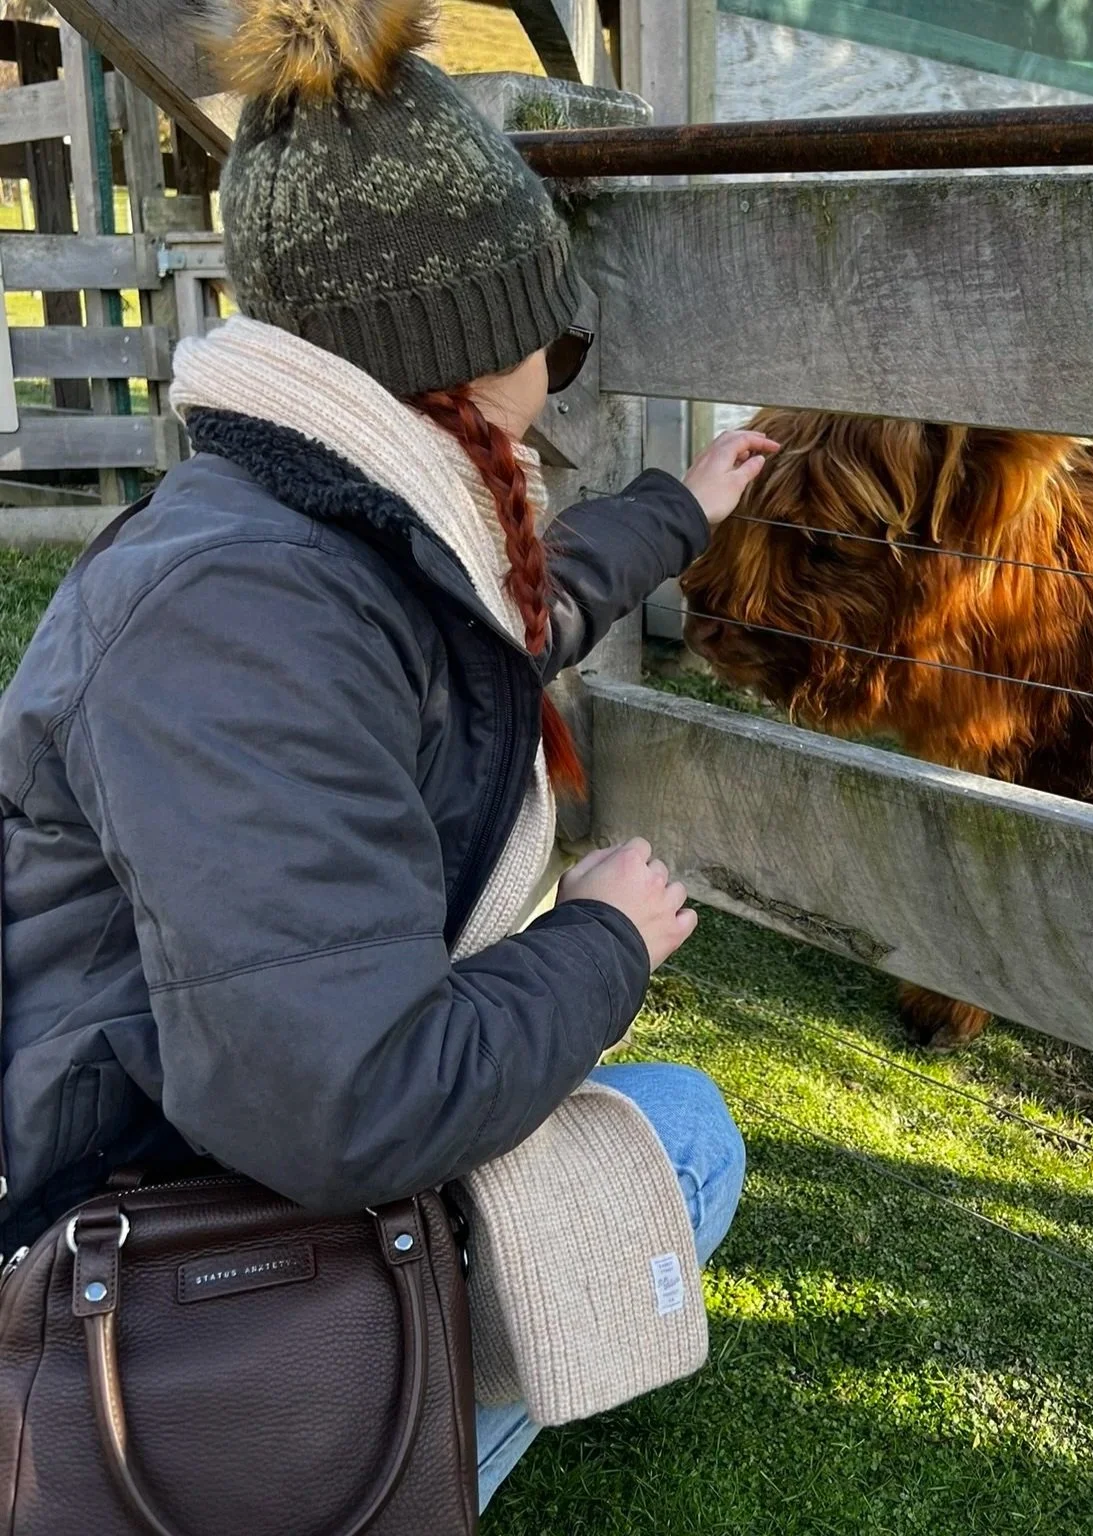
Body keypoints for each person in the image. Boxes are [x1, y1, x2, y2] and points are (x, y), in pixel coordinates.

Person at [0, 0, 776, 1510]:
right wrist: (605, 942)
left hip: (180, 1116)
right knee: (679, 1145)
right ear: (467, 357)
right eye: (551, 332)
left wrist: (675, 510)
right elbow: (350, 1106)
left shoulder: (295, 528)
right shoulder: (242, 624)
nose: (560, 363)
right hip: (147, 1220)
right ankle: (320, 1465)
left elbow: (484, 642)